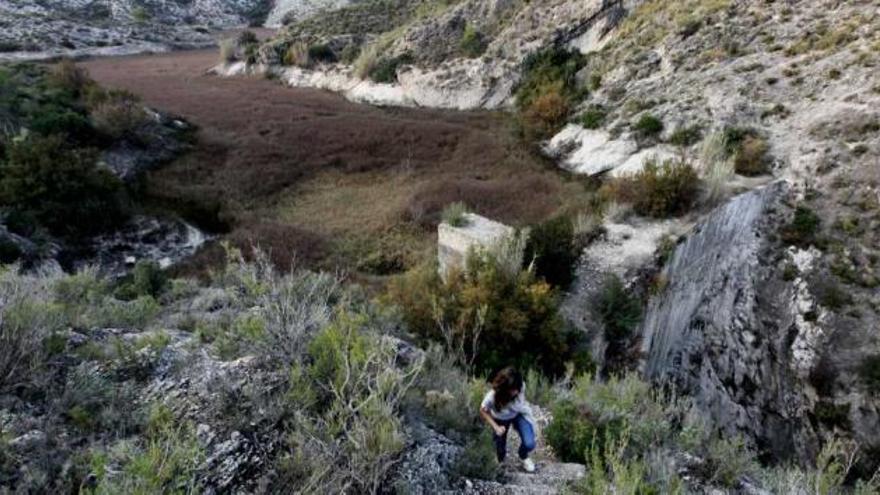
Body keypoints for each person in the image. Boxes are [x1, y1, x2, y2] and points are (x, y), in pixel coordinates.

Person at [479, 366, 537, 473]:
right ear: (504, 388)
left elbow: (520, 397)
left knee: (530, 443)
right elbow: (482, 410)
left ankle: (523, 456)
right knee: (500, 454)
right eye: (512, 389)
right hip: (500, 420)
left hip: (518, 415)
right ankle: (500, 460)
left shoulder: (520, 386)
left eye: (517, 389)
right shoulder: (492, 396)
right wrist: (496, 427)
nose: (516, 392)